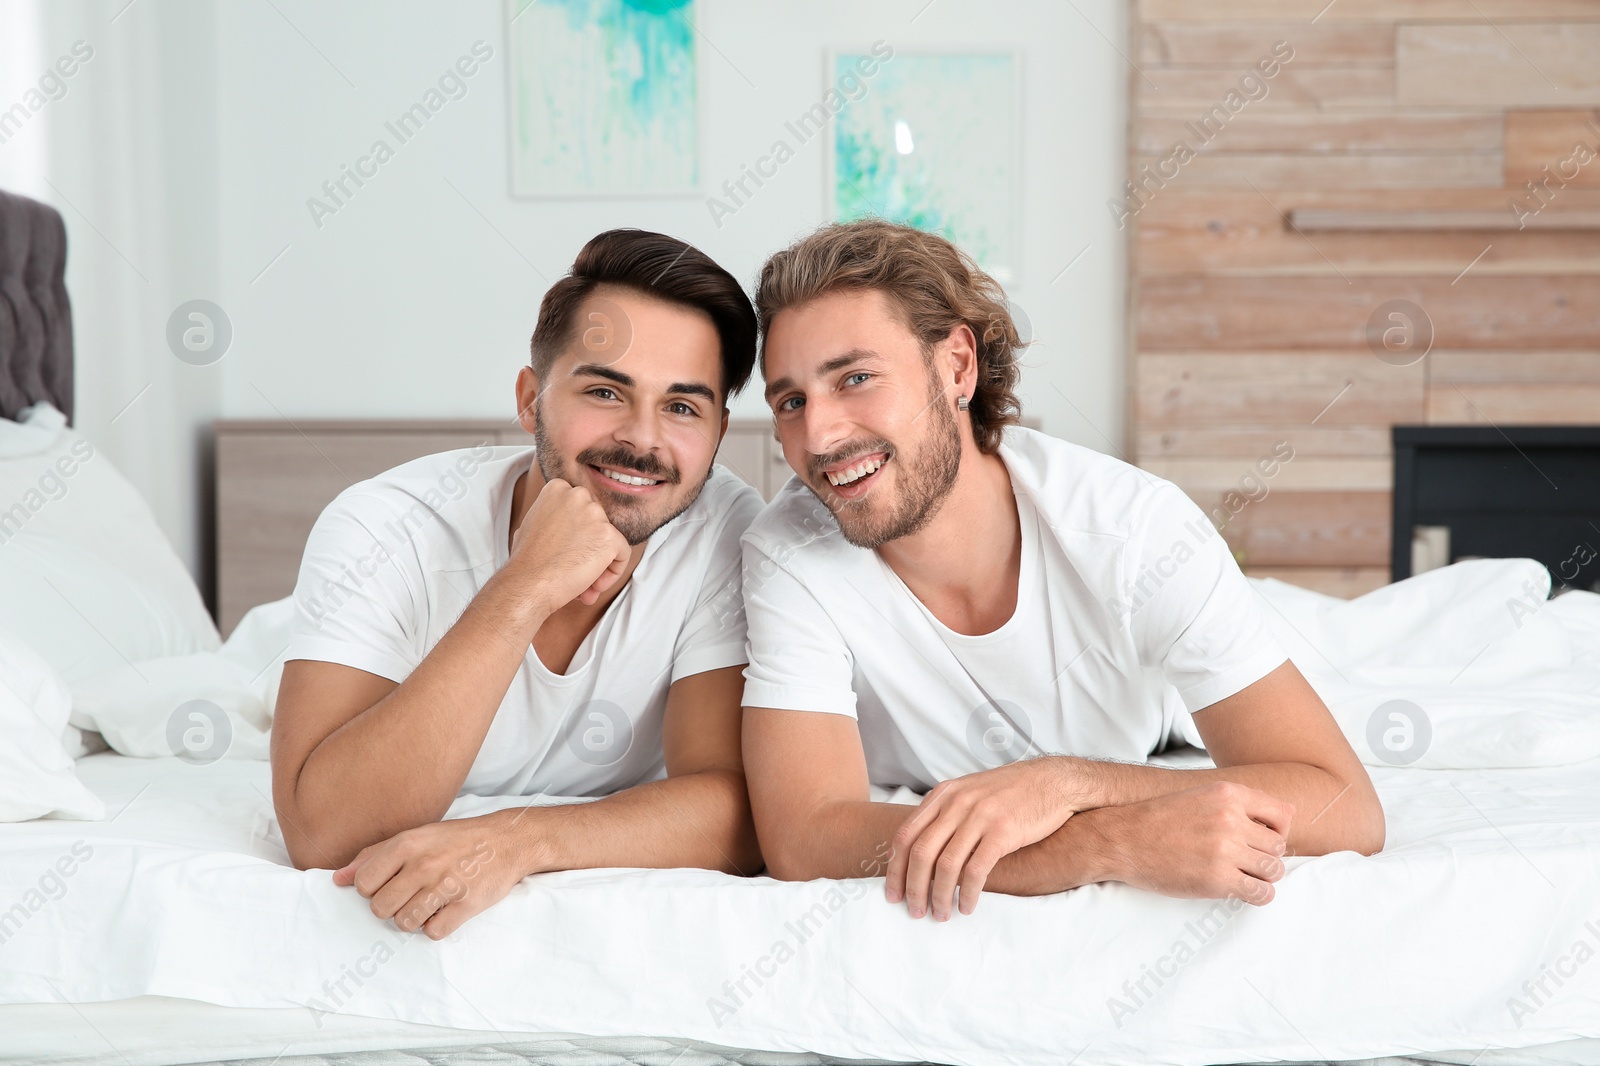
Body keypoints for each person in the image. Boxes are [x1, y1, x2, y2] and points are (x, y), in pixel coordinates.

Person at [740, 219, 1385, 924]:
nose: (820, 436)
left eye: (855, 378)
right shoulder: (787, 553)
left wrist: (1066, 782)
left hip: (1163, 711)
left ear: (957, 366)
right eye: (790, 402)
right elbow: (804, 837)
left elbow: (1346, 803)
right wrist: (1098, 841)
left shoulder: (1134, 531)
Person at [270, 229, 764, 939]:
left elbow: (736, 809)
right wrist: (526, 585)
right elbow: (325, 836)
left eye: (683, 407)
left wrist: (521, 839)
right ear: (532, 400)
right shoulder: (381, 525)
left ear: (718, 432)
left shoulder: (727, 532)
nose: (642, 438)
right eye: (604, 390)